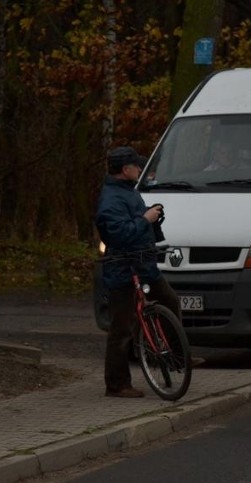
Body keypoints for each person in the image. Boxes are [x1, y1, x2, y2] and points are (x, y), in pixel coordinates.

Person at [95, 146, 181, 398]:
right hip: (123, 269)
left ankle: (176, 357)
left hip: (143, 264)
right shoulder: (110, 199)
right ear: (125, 170)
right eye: (136, 166)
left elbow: (136, 222)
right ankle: (117, 384)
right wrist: (146, 219)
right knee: (122, 328)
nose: (140, 169)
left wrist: (151, 218)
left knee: (170, 300)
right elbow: (119, 234)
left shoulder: (127, 192)